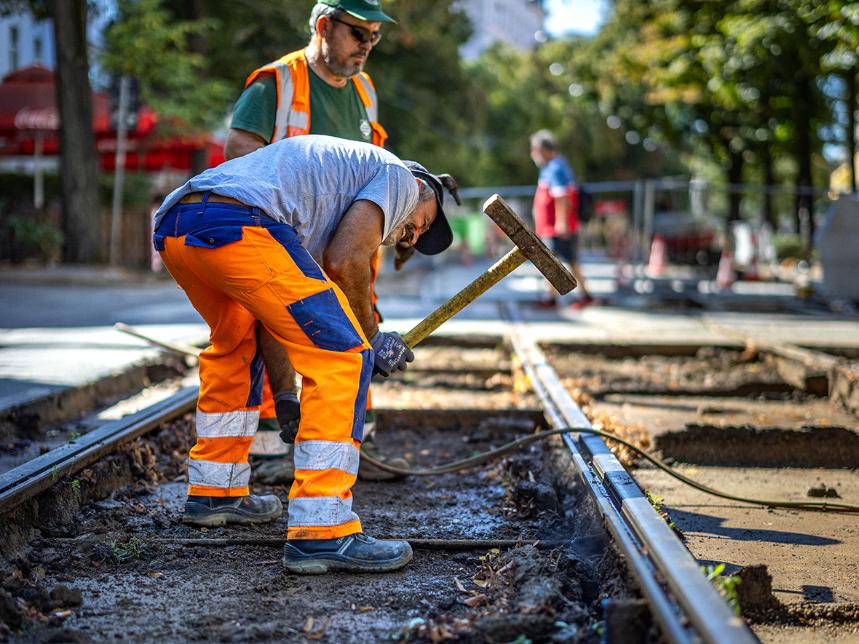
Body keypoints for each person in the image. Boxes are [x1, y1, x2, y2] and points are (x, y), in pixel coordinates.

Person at [152, 135, 454, 573]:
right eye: (426, 222)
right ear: (423, 188)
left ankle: (216, 491)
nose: (413, 235)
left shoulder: (309, 212)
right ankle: (323, 530)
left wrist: (286, 395)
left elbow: (275, 317)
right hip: (240, 220)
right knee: (344, 356)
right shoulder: (401, 177)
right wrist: (372, 339)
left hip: (181, 222)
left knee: (237, 342)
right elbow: (346, 260)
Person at [223, 0, 409, 482]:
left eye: (374, 37)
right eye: (358, 34)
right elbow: (239, 157)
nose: (367, 47)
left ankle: (348, 449)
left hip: (345, 247)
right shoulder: (276, 83)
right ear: (325, 26)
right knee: (268, 335)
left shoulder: (364, 90)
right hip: (285, 241)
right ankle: (267, 454)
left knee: (353, 333)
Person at [530, 129, 594, 309]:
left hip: (557, 228)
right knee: (559, 261)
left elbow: (561, 196)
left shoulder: (556, 168)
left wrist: (561, 223)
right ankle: (555, 296)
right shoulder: (553, 167)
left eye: (534, 149)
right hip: (553, 227)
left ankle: (578, 295)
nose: (532, 154)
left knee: (560, 261)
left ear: (544, 150)